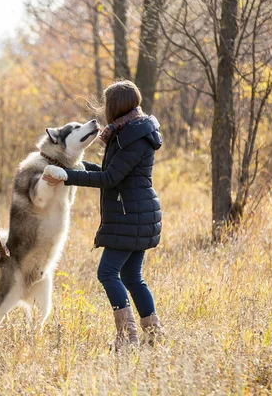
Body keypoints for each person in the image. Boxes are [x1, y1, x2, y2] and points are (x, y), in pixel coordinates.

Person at [43, 80, 164, 348]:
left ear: (115, 106)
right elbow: (113, 172)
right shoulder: (131, 131)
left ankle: (127, 337)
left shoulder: (132, 137)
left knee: (107, 273)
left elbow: (110, 178)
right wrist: (74, 165)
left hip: (131, 215)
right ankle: (154, 336)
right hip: (136, 213)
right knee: (132, 277)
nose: (104, 110)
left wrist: (67, 176)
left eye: (107, 104)